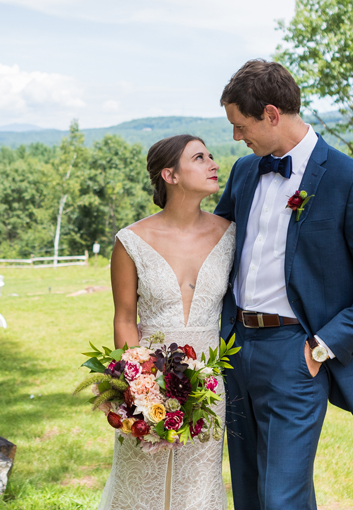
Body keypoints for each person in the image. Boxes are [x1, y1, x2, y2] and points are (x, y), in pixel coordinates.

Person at [214, 59, 353, 510]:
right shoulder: (245, 173)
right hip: (235, 351)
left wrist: (322, 345)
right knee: (247, 493)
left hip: (296, 355)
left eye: (240, 125)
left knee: (280, 497)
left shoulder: (350, 180)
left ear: (270, 114)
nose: (235, 137)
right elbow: (214, 247)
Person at [98, 134, 234, 510]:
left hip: (208, 380)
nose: (213, 164)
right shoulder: (131, 240)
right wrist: (139, 390)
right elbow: (124, 318)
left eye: (210, 156)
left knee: (199, 484)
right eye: (200, 158)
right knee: (140, 480)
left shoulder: (230, 234)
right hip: (147, 380)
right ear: (170, 175)